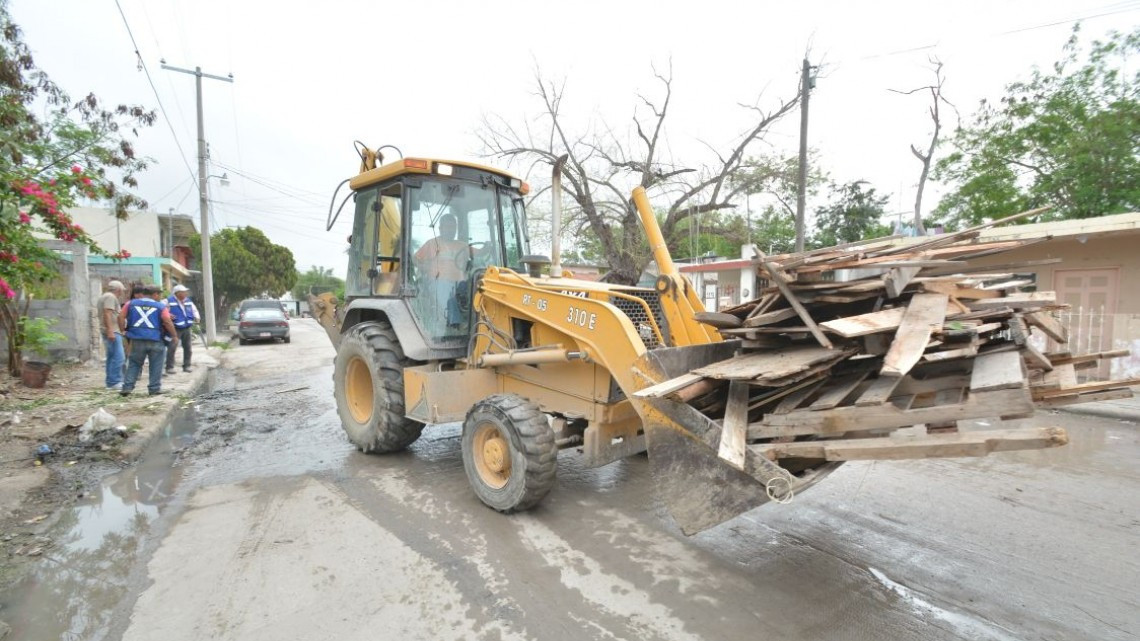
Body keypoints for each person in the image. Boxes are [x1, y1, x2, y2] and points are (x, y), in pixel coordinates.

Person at [119, 284, 177, 397]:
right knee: (156, 364)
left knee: (134, 364)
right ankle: (154, 389)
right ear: (155, 294)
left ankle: (127, 387)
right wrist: (174, 335)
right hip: (156, 339)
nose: (160, 296)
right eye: (159, 294)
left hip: (137, 339)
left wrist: (123, 331)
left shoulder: (130, 303)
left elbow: (121, 316)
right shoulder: (160, 306)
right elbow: (167, 321)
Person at [413, 213, 470, 326]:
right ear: (440, 229)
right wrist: (424, 267)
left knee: (475, 285)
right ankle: (455, 324)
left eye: (453, 227)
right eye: (447, 227)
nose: (450, 230)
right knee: (447, 291)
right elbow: (415, 259)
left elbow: (480, 253)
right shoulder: (431, 244)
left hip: (460, 283)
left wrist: (487, 248)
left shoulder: (462, 245)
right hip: (437, 281)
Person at [165, 284, 199, 375]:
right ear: (177, 293)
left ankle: (187, 365)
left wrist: (197, 317)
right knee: (172, 347)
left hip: (187, 327)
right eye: (183, 292)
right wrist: (168, 315)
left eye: (185, 292)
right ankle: (169, 367)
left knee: (188, 347)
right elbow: (162, 311)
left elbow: (194, 310)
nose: (185, 293)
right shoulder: (168, 301)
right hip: (175, 327)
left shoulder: (188, 301)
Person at [98, 280, 126, 390]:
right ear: (118, 290)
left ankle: (110, 382)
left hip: (109, 330)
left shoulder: (104, 296)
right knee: (119, 357)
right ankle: (115, 381)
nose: (122, 293)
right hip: (112, 331)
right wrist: (110, 330)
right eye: (121, 291)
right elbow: (107, 313)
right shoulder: (110, 297)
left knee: (111, 356)